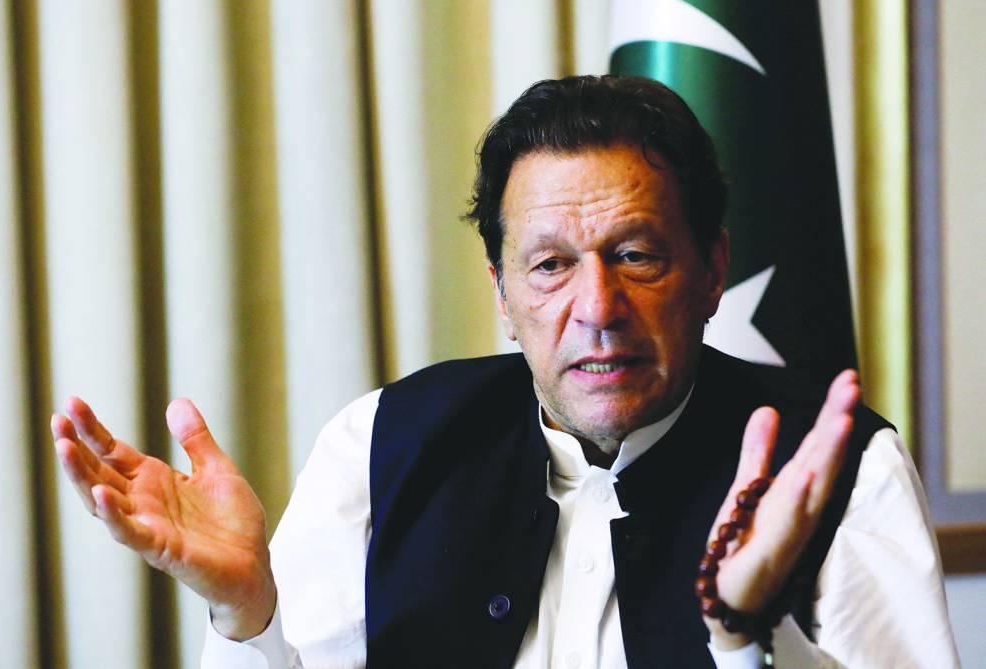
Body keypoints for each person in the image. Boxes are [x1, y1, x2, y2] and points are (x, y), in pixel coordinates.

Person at [53, 75, 958, 668]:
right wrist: (251, 618)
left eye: (637, 253)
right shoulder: (381, 442)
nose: (597, 305)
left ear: (712, 269)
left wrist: (748, 634)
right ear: (502, 289)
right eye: (550, 264)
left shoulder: (837, 468)